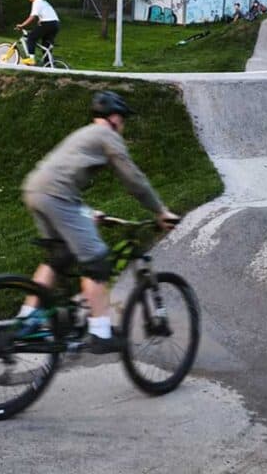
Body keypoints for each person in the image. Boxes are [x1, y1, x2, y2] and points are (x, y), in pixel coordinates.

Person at [18, 91, 181, 353]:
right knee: (97, 261)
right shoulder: (107, 136)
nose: (123, 125)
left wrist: (86, 213)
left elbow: (63, 176)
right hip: (57, 195)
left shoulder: (84, 134)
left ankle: (25, 320)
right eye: (123, 119)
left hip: (35, 190)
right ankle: (100, 332)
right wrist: (160, 211)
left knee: (58, 257)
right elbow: (134, 180)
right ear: (114, 117)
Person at [16, 0, 60, 66]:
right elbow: (47, 13)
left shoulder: (36, 2)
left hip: (47, 23)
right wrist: (40, 21)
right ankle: (48, 64)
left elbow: (32, 16)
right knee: (46, 45)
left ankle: (31, 59)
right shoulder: (43, 2)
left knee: (31, 38)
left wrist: (22, 25)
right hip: (55, 24)